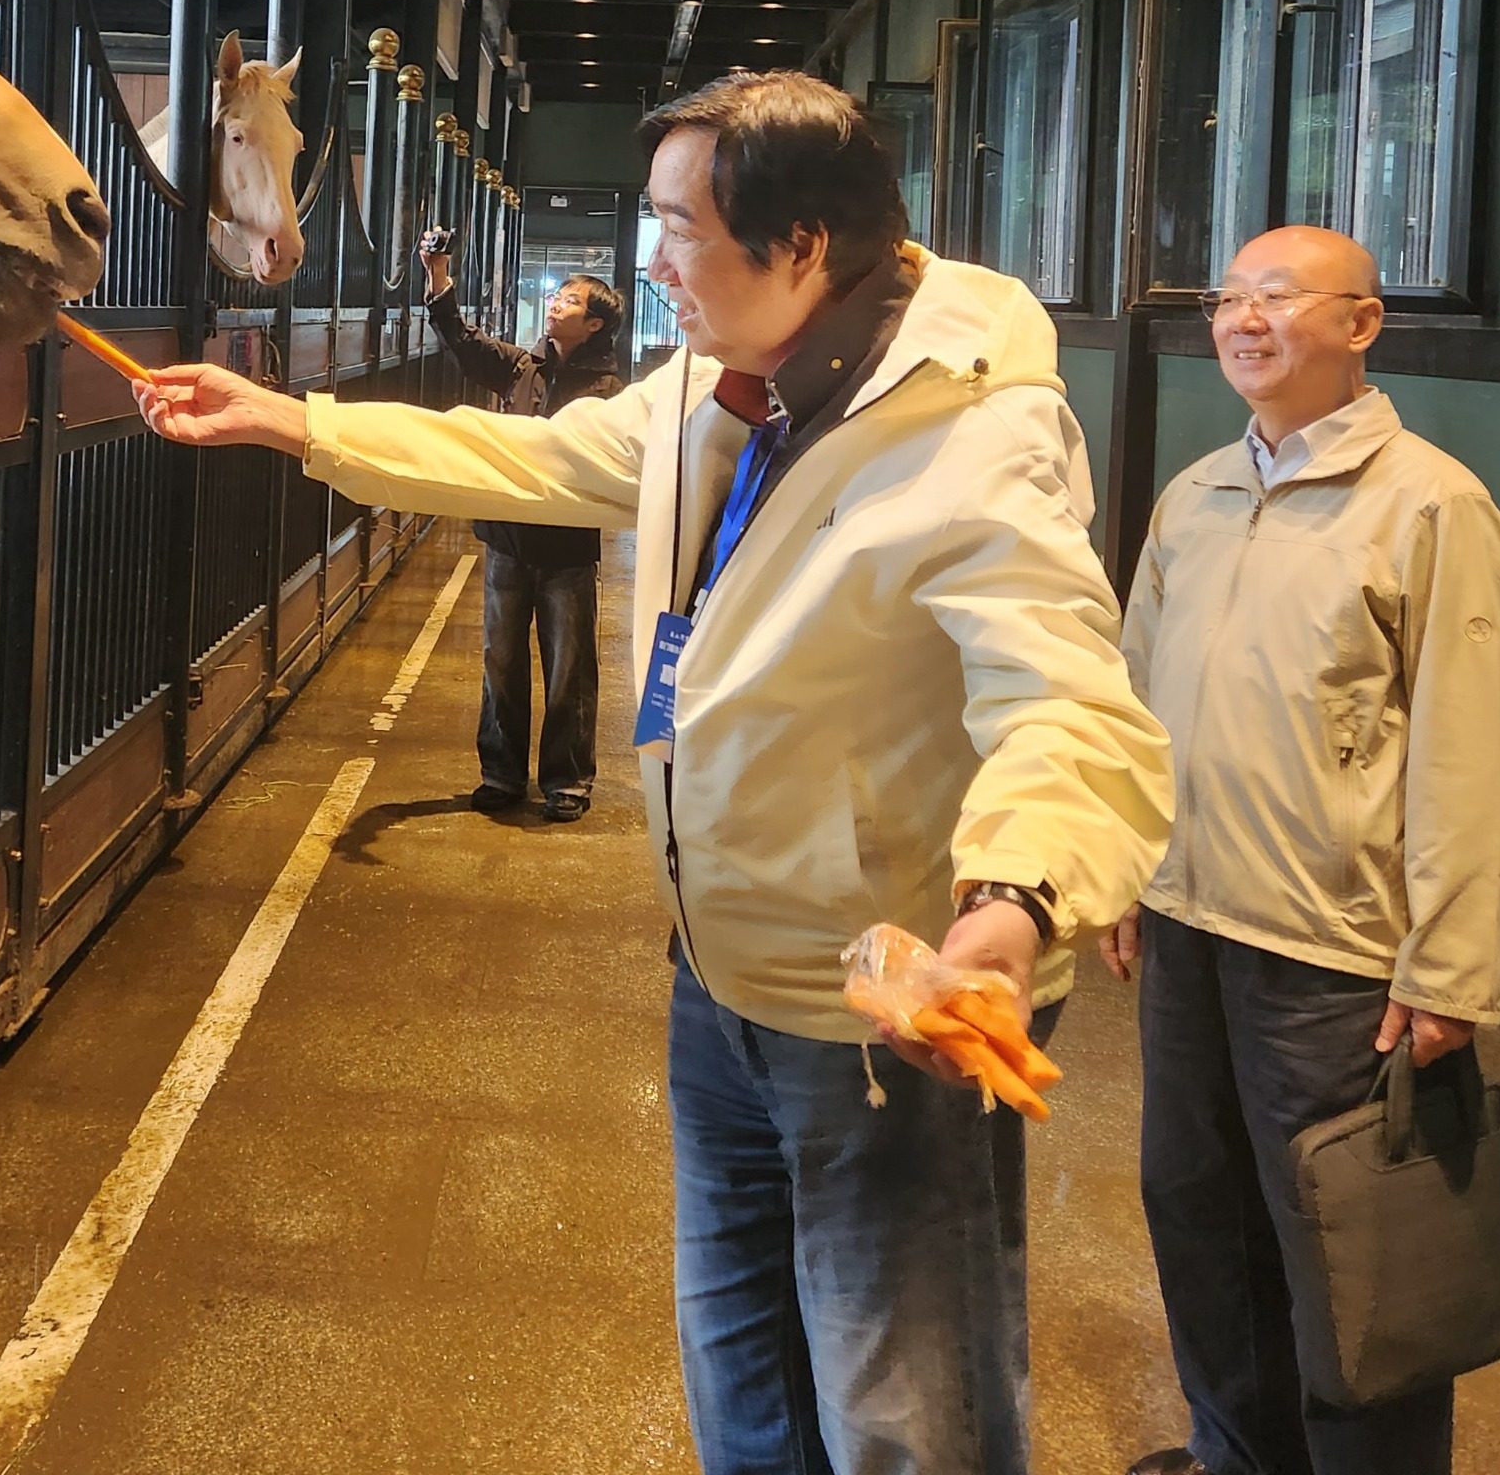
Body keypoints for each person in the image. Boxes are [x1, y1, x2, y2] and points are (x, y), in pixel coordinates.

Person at [135, 71, 1171, 1475]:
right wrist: (291, 421)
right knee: (740, 1369)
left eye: (681, 228)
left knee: (905, 1412)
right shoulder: (712, 389)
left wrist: (1005, 911)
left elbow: (1064, 707)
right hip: (713, 982)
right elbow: (530, 456)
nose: (653, 263)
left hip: (879, 1018)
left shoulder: (972, 434)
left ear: (799, 244)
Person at [1104, 226, 1500, 1475]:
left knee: (1350, 1256)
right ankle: (1236, 1455)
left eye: (1277, 297)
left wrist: (1447, 968)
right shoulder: (1194, 494)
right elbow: (1130, 699)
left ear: (1360, 323)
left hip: (1331, 953)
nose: (1243, 319)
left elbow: (1467, 754)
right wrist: (1121, 862)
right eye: (1229, 298)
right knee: (1197, 1219)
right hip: (1188, 925)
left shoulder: (1430, 502)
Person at [422, 251, 626, 821]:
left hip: (567, 549)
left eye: (570, 300)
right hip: (508, 543)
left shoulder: (607, 390)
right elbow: (461, 340)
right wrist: (438, 277)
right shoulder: (521, 367)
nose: (556, 303)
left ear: (594, 326)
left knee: (570, 668)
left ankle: (568, 780)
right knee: (501, 661)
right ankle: (501, 774)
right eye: (558, 295)